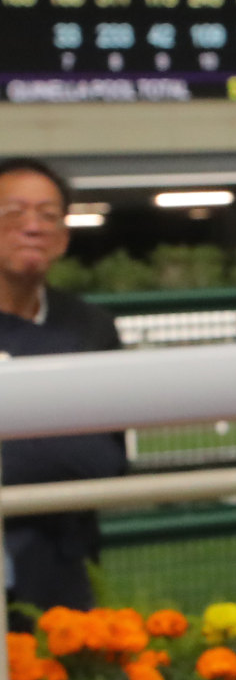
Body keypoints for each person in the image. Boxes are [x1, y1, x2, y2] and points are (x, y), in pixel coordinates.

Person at [0, 157, 124, 615]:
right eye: (13, 212)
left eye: (48, 215)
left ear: (64, 238)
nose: (32, 227)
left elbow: (106, 459)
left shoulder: (90, 327)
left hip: (66, 570)